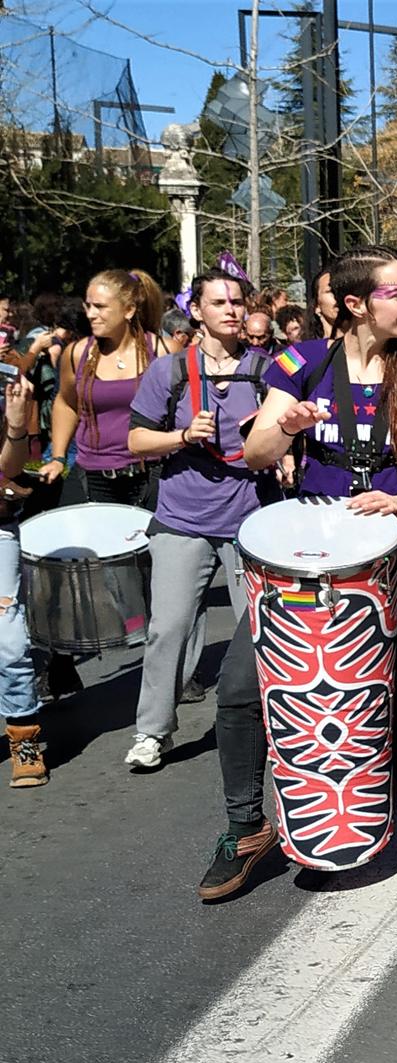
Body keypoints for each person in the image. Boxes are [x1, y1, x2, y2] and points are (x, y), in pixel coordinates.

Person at [200, 244, 397, 901]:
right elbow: (255, 449)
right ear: (356, 304)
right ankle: (245, 829)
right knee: (241, 689)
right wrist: (287, 429)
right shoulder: (301, 363)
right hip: (311, 566)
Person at [122, 272, 281, 771]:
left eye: (237, 301)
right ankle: (152, 731)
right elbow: (136, 442)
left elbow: (286, 430)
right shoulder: (169, 370)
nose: (231, 310)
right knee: (167, 628)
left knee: (259, 631)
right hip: (182, 517)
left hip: (250, 516)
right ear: (197, 311)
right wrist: (184, 436)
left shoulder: (266, 370)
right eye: (219, 302)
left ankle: (275, 726)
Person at [45, 270, 167, 508]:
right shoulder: (77, 353)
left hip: (152, 475)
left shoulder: (163, 351)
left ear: (129, 310)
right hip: (93, 476)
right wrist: (58, 457)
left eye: (100, 307)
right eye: (88, 306)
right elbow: (66, 402)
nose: (91, 314)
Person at [0, 348, 47, 786]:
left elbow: (17, 467)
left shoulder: (10, 383)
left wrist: (15, 425)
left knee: (10, 642)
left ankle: (23, 735)